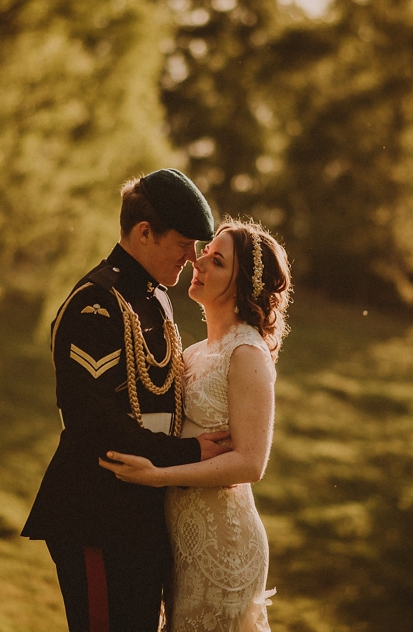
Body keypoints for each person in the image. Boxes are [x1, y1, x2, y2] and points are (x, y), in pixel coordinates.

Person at [22, 169, 231, 632]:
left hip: (141, 511)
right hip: (97, 511)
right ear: (143, 233)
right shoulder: (95, 303)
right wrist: (189, 454)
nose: (191, 259)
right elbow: (96, 425)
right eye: (183, 244)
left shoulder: (155, 299)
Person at [100, 219, 291, 632]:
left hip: (224, 543)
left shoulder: (247, 353)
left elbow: (250, 464)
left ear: (241, 286)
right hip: (181, 541)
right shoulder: (196, 351)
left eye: (216, 261)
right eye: (205, 252)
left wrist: (158, 476)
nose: (198, 262)